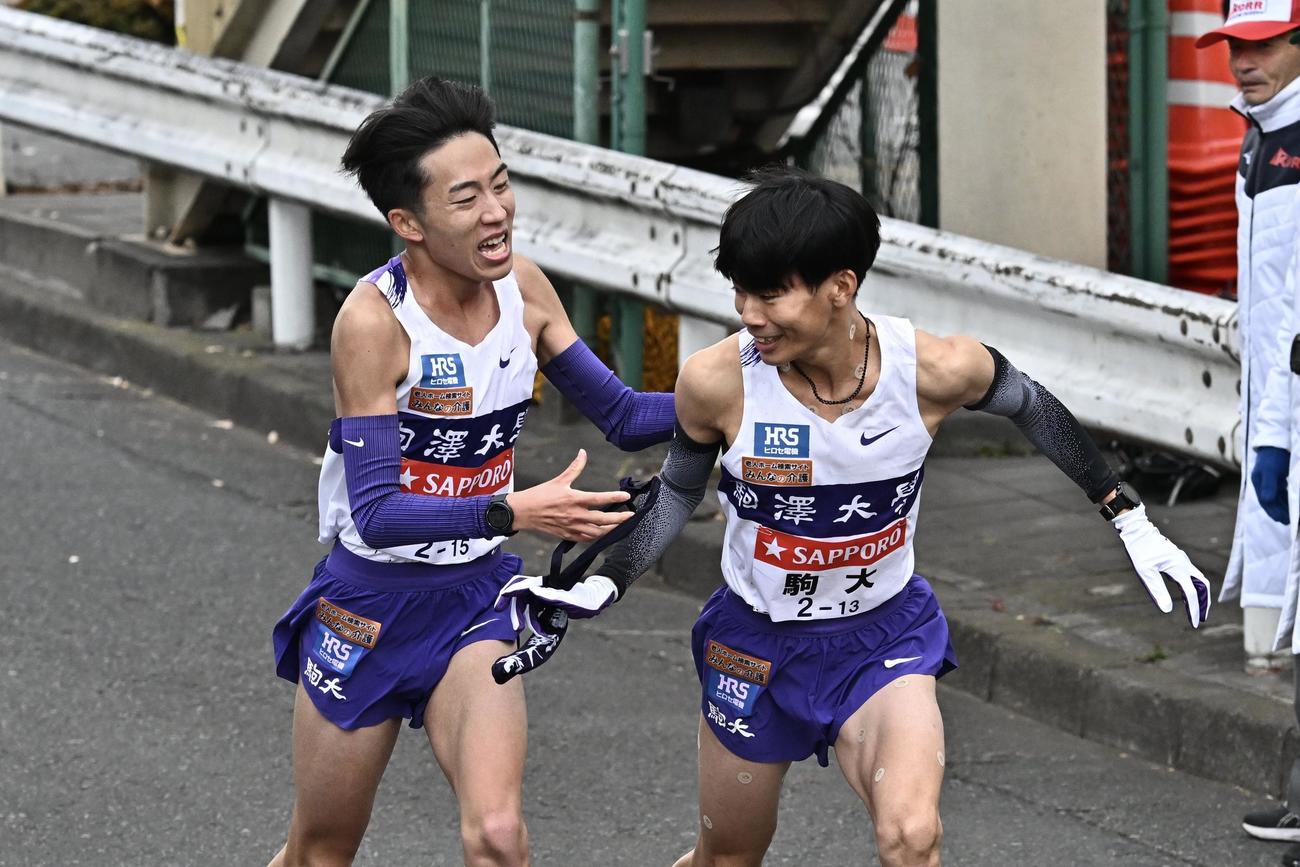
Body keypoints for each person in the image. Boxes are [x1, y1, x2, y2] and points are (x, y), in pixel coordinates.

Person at [497, 167, 1211, 867]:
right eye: (741, 290)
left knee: (912, 834)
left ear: (841, 287)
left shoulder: (932, 369)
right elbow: (681, 490)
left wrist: (1128, 516)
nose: (749, 313)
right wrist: (607, 582)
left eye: (771, 294)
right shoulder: (717, 380)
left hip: (883, 636)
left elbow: (1032, 404)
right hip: (756, 641)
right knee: (730, 853)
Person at [266, 77, 674, 867]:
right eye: (467, 199)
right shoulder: (374, 321)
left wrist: (742, 392)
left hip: (472, 601)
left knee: (496, 834)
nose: (497, 212)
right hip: (368, 604)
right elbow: (379, 510)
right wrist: (512, 511)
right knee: (321, 849)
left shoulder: (523, 288)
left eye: (501, 184)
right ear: (407, 223)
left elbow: (621, 414)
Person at [1197, 5, 1300, 860]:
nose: (1243, 61)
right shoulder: (1260, 139)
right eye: (1235, 44)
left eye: (1263, 44)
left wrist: (1273, 434)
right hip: (1280, 406)